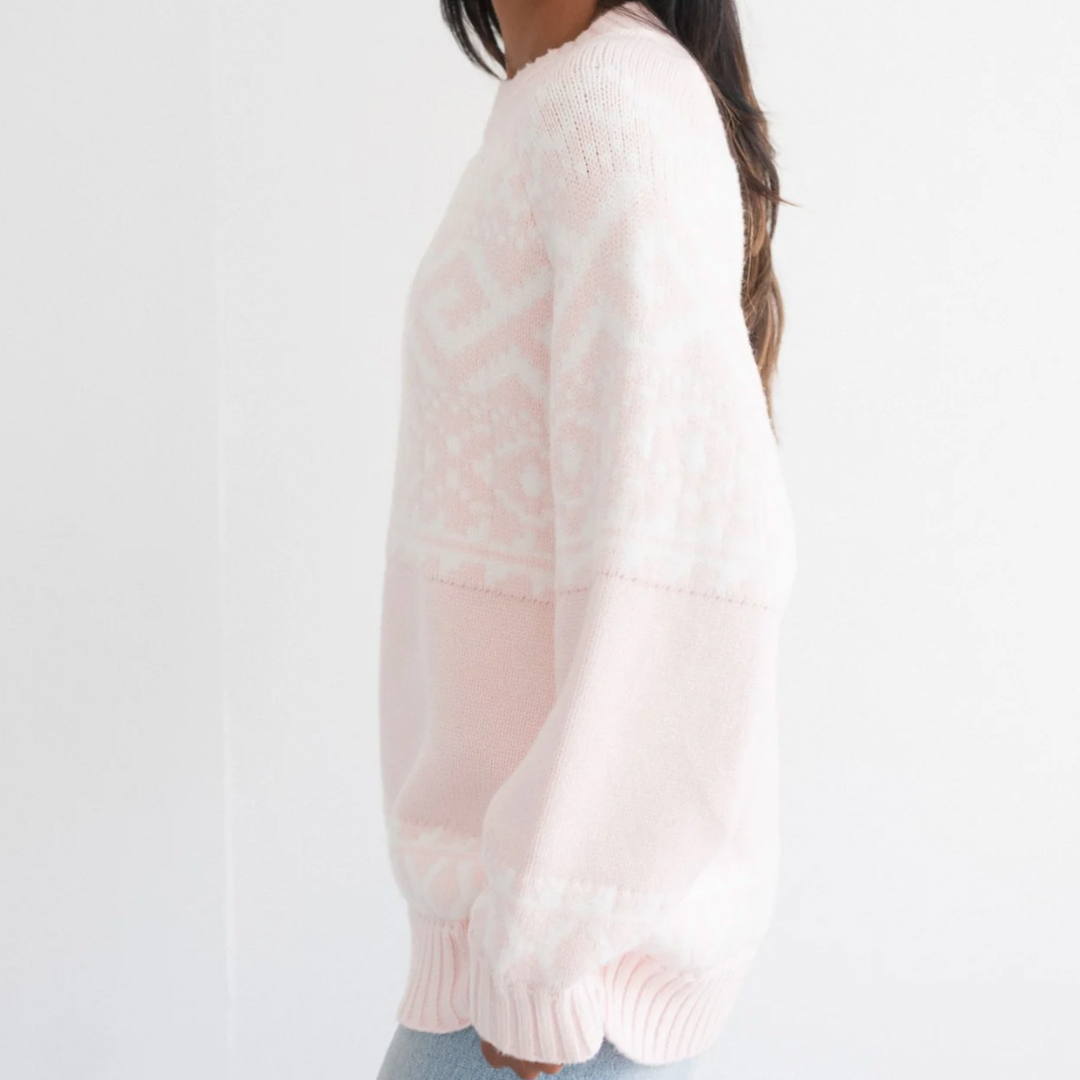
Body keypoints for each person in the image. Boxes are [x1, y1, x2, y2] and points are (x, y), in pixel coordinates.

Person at [374, 2, 796, 1076]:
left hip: (546, 1015)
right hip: (516, 981)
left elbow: (688, 568)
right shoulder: (560, 108)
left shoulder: (604, 114)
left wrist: (547, 954)